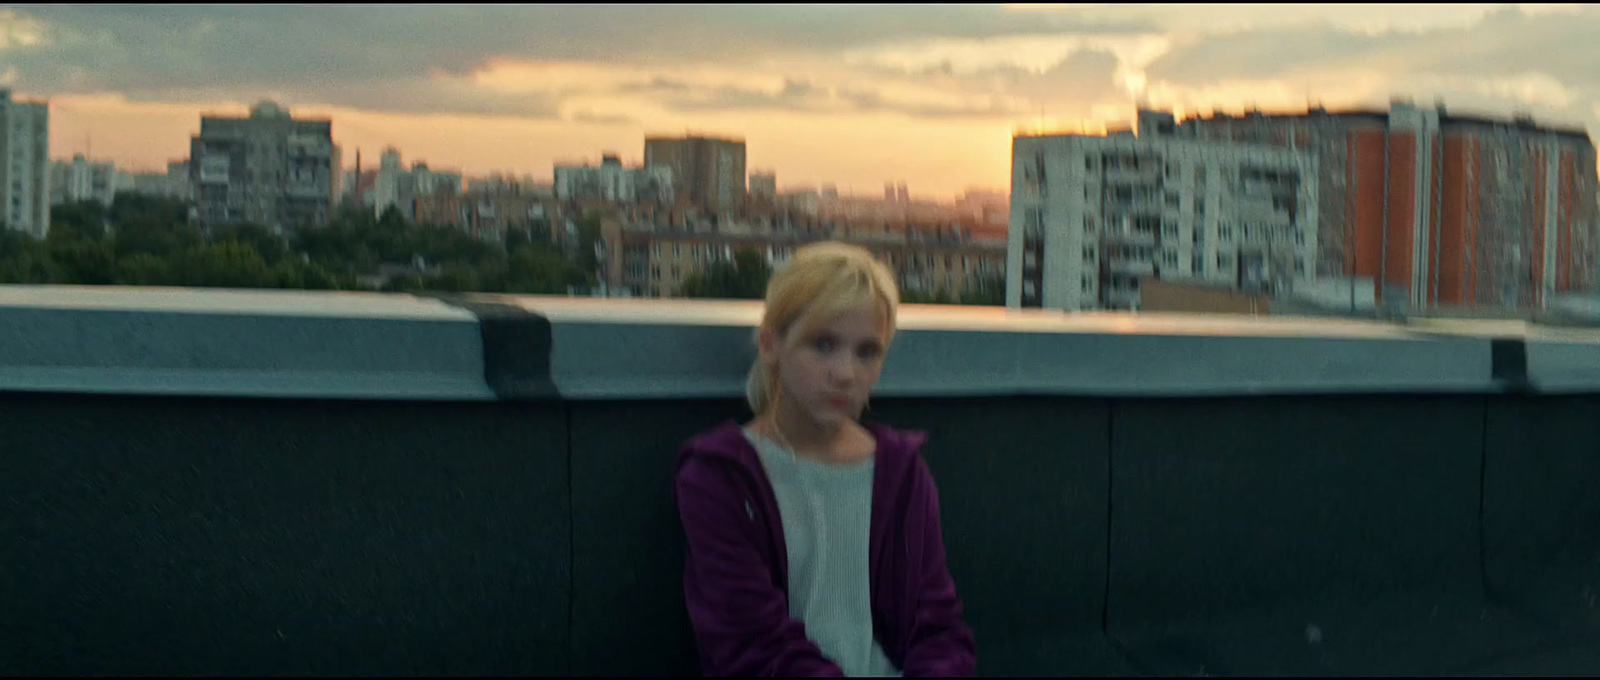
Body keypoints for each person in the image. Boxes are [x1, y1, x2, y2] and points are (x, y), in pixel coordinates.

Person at [673, 241, 976, 677]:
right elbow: (749, 640)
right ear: (771, 344)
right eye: (823, 344)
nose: (845, 373)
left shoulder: (901, 472)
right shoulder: (720, 477)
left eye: (867, 352)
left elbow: (938, 625)